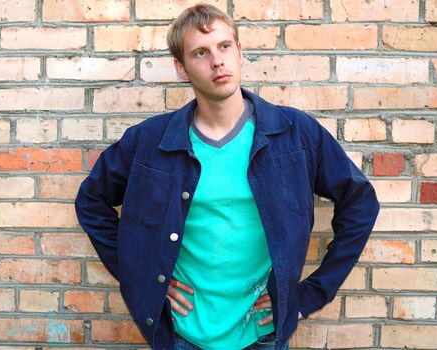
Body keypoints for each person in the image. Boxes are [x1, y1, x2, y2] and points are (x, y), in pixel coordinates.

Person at [75, 4, 379, 350]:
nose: (217, 61)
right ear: (181, 67)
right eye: (200, 53)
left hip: (261, 333)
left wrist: (311, 293)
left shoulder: (296, 135)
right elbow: (91, 201)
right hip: (180, 333)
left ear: (239, 52)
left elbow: (360, 204)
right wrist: (142, 275)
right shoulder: (149, 142)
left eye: (224, 46)